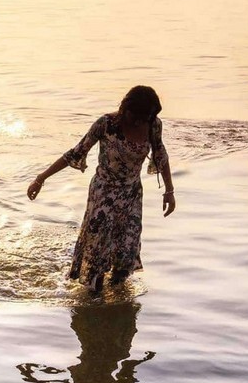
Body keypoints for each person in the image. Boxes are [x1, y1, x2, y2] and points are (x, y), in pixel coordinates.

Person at [27, 86, 175, 291]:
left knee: (127, 249)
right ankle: (94, 299)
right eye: (140, 116)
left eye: (148, 117)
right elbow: (75, 152)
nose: (143, 121)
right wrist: (41, 179)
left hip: (131, 195)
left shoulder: (153, 125)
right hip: (103, 194)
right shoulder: (106, 124)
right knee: (98, 250)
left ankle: (117, 301)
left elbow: (161, 156)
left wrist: (169, 191)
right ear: (127, 110)